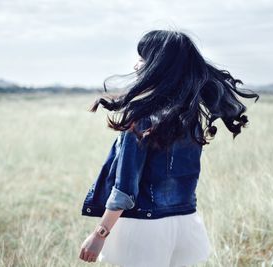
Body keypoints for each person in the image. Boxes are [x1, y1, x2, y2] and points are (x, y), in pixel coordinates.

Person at [79, 29, 260, 267]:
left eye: (143, 58)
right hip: (184, 222)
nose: (136, 65)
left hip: (145, 228)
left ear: (157, 66)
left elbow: (125, 189)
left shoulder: (142, 116)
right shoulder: (190, 116)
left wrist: (99, 233)